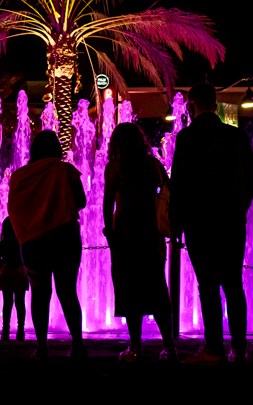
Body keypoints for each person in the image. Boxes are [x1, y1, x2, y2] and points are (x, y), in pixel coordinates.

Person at [170, 83, 253, 365]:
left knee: (208, 286)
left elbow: (179, 185)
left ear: (192, 105)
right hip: (231, 222)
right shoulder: (237, 137)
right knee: (234, 284)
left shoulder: (187, 138)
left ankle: (214, 349)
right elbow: (249, 182)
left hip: (200, 223)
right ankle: (240, 349)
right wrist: (238, 210)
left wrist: (176, 225)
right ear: (215, 104)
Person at [8, 130, 88, 361]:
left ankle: (42, 347)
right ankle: (78, 345)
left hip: (34, 243)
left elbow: (14, 208)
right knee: (67, 292)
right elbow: (80, 201)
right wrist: (56, 206)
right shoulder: (65, 170)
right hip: (65, 238)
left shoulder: (20, 176)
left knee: (39, 294)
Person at [103, 122, 178, 362]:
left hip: (124, 233)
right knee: (157, 290)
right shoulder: (153, 165)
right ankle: (169, 346)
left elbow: (107, 203)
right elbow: (168, 192)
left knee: (130, 291)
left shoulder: (115, 167)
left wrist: (109, 231)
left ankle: (135, 348)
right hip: (151, 232)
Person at [0, 216, 28, 341]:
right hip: (20, 271)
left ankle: (6, 329)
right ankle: (20, 330)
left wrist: (1, 271)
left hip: (7, 271)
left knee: (7, 302)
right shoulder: (22, 243)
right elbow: (28, 259)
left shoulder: (3, 243)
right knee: (20, 302)